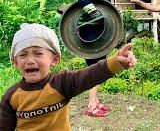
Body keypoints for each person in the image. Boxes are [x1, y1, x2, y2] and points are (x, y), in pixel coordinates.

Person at [0, 23, 136, 130]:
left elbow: (90, 75)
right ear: (15, 61)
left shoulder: (61, 83)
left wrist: (117, 62)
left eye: (38, 53)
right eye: (23, 55)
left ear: (54, 59)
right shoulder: (12, 95)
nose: (30, 60)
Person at [76, 0, 122, 117]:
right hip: (88, 36)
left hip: (100, 36)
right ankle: (91, 106)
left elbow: (108, 9)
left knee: (99, 68)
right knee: (94, 70)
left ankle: (95, 102)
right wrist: (97, 14)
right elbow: (82, 0)